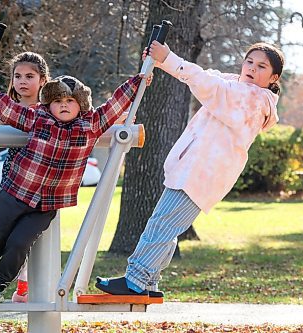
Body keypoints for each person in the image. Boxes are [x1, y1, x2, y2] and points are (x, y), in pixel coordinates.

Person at [96, 41, 284, 299]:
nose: (252, 68)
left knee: (161, 224)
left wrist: (169, 58)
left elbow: (209, 85)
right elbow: (207, 76)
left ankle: (135, 281)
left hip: (200, 174)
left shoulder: (252, 99)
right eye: (249, 62)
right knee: (167, 226)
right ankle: (148, 283)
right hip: (191, 170)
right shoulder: (237, 86)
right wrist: (161, 61)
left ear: (273, 77)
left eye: (261, 66)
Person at [0, 70, 148, 304]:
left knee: (19, 244)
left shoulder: (90, 125)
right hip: (15, 192)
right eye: (58, 101)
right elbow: (8, 108)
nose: (64, 105)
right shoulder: (36, 118)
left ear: (80, 105)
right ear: (48, 104)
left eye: (70, 101)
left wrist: (137, 81)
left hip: (46, 205)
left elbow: (114, 105)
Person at [0, 51, 50, 303]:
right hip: (12, 182)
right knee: (1, 234)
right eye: (17, 76)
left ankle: (23, 286)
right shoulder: (11, 108)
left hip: (39, 184)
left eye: (30, 76)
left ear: (42, 80)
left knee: (23, 239)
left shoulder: (48, 110)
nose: (22, 81)